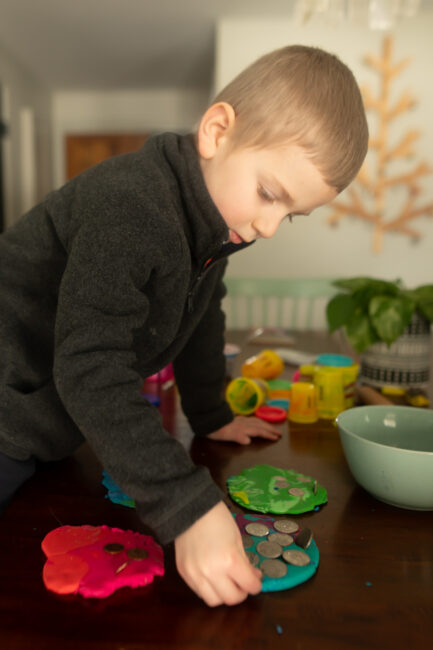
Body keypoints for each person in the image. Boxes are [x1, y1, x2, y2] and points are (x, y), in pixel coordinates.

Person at [0, 45, 368, 606]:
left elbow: (199, 317)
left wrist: (212, 415)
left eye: (289, 214)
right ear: (218, 132)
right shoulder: (131, 205)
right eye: (270, 194)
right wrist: (186, 506)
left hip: (45, 420)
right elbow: (89, 367)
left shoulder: (215, 221)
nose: (269, 227)